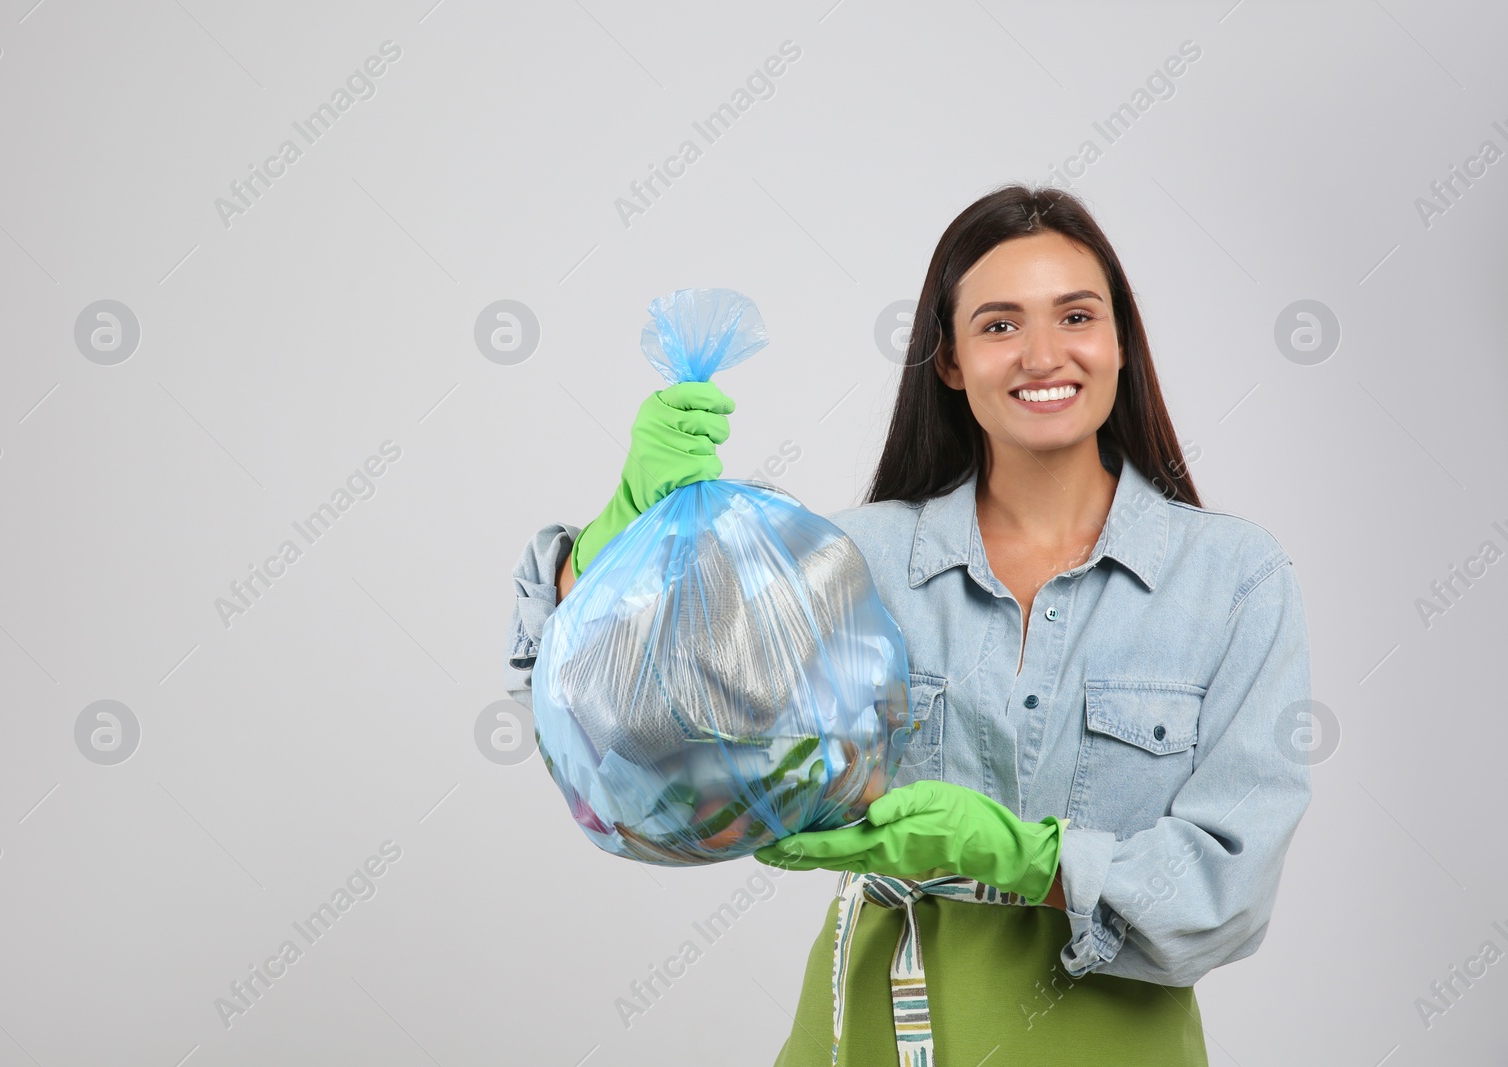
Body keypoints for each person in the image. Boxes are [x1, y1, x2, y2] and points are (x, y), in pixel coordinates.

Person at [502, 183, 1313, 1066]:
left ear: (1120, 342)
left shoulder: (1233, 579)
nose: (1044, 355)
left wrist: (1016, 855)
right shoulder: (848, 563)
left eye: (1076, 316)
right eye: (1000, 324)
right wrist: (625, 525)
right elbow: (616, 719)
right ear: (952, 360)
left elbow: (1229, 891)